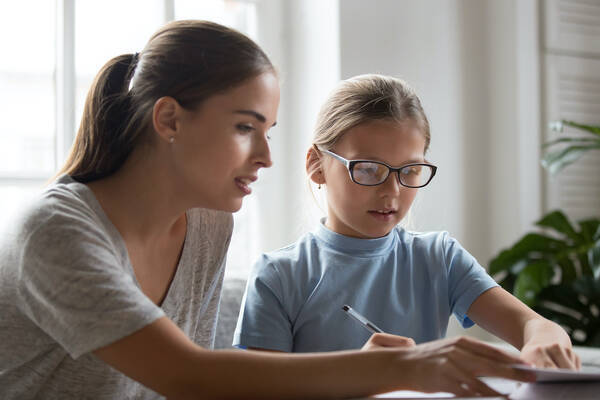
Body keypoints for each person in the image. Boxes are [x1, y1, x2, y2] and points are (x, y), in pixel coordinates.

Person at [0, 21, 535, 400]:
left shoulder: (208, 223)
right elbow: (188, 377)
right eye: (244, 128)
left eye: (268, 131)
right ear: (169, 120)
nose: (266, 156)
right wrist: (398, 366)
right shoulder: (56, 230)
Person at [234, 74, 581, 369]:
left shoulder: (439, 258)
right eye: (368, 169)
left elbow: (533, 326)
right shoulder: (278, 277)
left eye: (410, 171)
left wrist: (544, 336)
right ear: (316, 165)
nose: (392, 191)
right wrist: (360, 375)